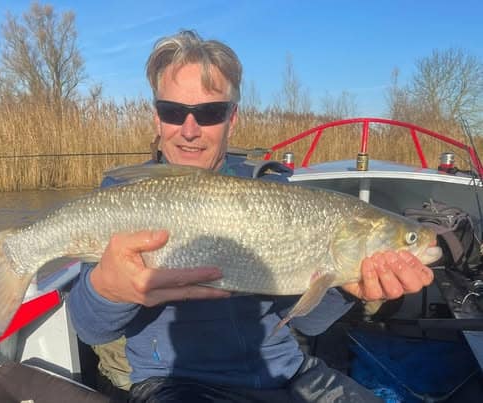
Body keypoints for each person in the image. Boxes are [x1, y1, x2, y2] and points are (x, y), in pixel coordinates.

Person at [68, 30, 434, 402]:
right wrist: (106, 291)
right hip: (175, 383)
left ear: (232, 118)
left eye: (209, 113)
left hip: (287, 373)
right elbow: (90, 329)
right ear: (157, 118)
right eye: (174, 112)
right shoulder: (122, 195)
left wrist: (343, 287)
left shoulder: (276, 193)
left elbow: (306, 322)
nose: (190, 130)